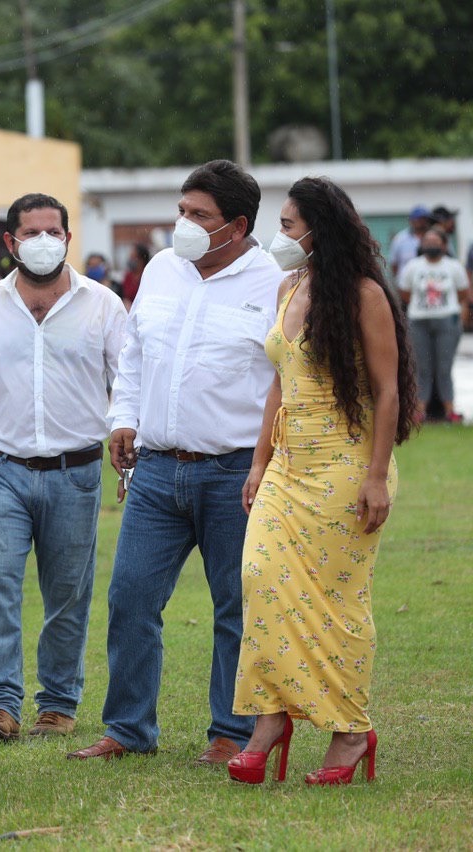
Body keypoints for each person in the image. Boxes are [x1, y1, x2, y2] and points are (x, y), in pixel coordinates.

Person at [69, 160, 282, 764]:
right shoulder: (162, 270)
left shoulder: (275, 283)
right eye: (182, 210)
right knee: (131, 597)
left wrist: (264, 462)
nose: (182, 224)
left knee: (236, 606)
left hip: (237, 470)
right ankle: (128, 729)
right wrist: (124, 418)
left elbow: (286, 381)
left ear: (237, 225)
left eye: (199, 215)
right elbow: (135, 355)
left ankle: (232, 733)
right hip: (158, 468)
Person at [228, 176, 419, 786]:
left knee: (336, 602)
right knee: (260, 576)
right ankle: (270, 719)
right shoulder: (289, 287)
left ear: (319, 230)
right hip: (287, 464)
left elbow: (389, 392)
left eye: (286, 226)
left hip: (347, 465)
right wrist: (258, 464)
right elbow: (278, 383)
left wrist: (376, 477)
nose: (277, 237)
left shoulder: (364, 295)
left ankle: (349, 732)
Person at [0, 194, 126, 744]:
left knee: (68, 594)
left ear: (68, 238)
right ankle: (0, 705)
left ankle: (57, 703)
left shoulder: (102, 305)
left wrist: (131, 444)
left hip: (76, 471)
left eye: (52, 231)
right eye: (30, 233)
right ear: (10, 243)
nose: (42, 242)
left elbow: (127, 384)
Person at [398, 228, 469, 423]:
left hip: (447, 321)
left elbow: (463, 293)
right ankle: (420, 411)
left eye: (435, 241)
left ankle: (450, 410)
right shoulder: (413, 266)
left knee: (444, 368)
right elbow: (404, 293)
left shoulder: (453, 267)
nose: (431, 245)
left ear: (444, 245)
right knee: (422, 368)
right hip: (419, 322)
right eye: (427, 241)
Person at [388, 206, 431, 280]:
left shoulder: (435, 237)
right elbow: (394, 264)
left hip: (430, 282)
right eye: (418, 219)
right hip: (406, 283)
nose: (421, 222)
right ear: (411, 220)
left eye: (424, 219)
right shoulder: (400, 239)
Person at [121, 244, 151, 310]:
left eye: (133, 257)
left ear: (141, 259)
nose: (130, 260)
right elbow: (125, 297)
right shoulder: (128, 276)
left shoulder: (149, 275)